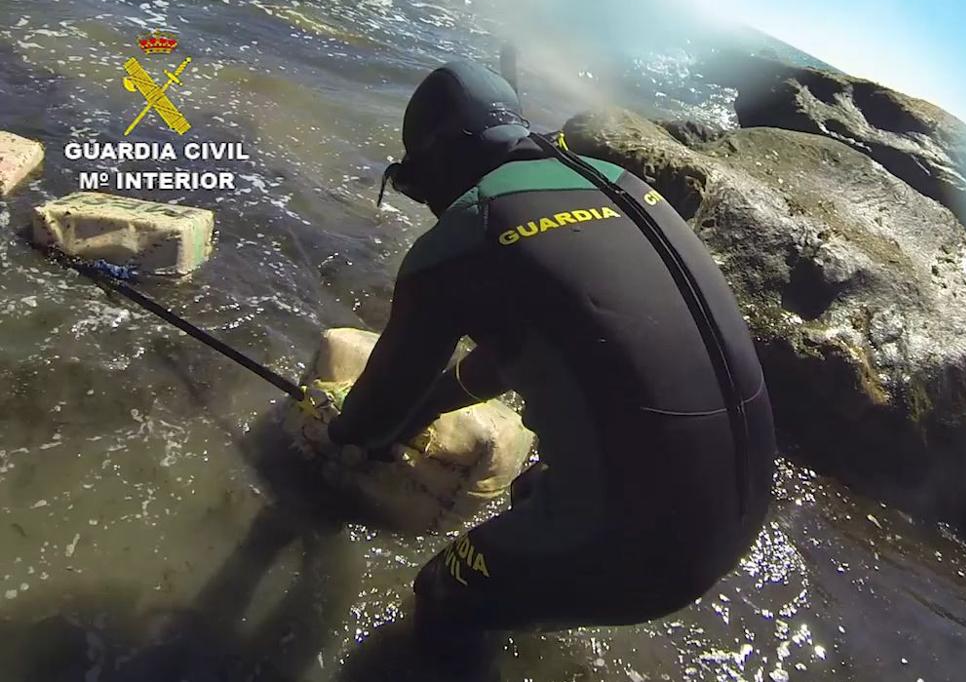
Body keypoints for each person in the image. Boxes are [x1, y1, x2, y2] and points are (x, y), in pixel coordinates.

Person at [319, 60, 777, 680]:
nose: (430, 204)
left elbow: (371, 417)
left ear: (441, 158)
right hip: (745, 512)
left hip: (651, 551)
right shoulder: (615, 180)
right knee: (531, 493)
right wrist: (429, 405)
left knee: (442, 590)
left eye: (418, 184)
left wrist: (340, 435)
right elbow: (547, 336)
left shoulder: (471, 228)